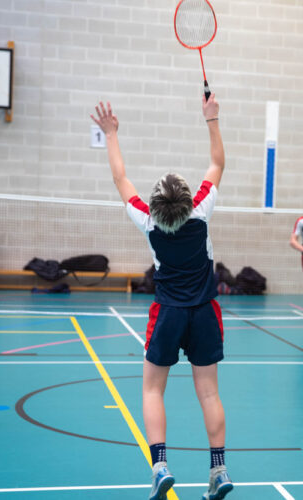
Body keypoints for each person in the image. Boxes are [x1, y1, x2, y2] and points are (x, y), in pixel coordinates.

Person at [91, 96, 233, 500]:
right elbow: (218, 163)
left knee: (153, 390)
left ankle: (160, 467)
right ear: (188, 200)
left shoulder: (148, 221)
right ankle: (219, 470)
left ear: (155, 204)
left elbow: (121, 179)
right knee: (209, 392)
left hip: (168, 313)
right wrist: (212, 119)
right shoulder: (201, 212)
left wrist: (111, 134)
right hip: (205, 313)